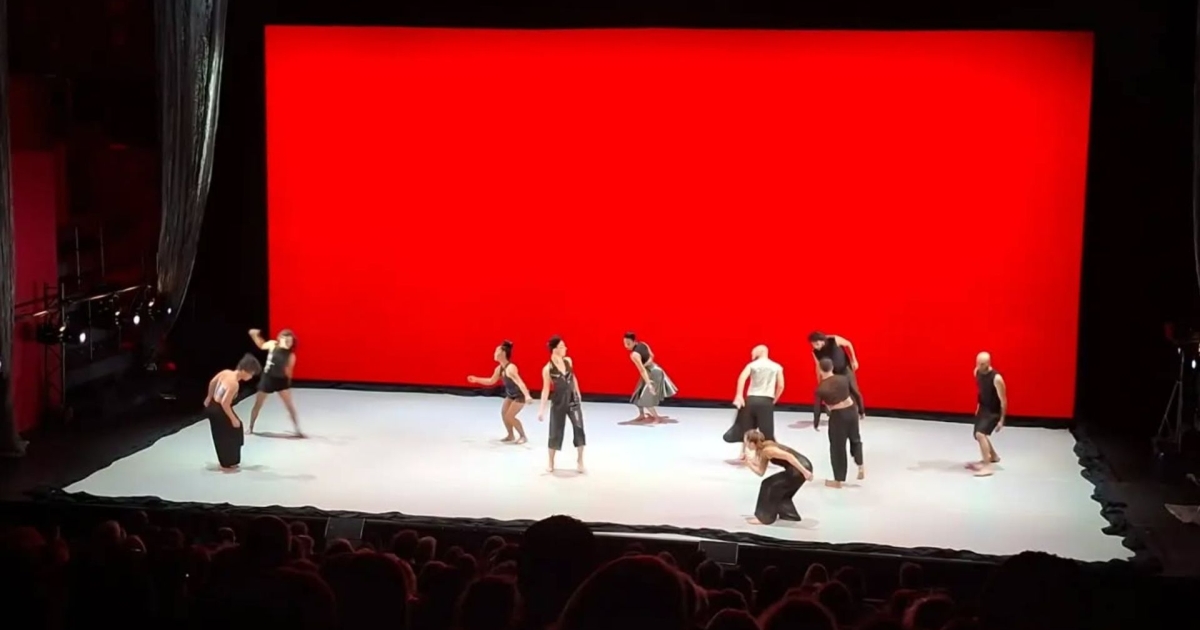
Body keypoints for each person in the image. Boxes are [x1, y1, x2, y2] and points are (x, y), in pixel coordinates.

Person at [202, 354, 262, 471]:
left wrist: (209, 397)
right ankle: (228, 461)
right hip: (218, 409)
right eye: (251, 374)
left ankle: (228, 460)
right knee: (228, 433)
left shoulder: (226, 372)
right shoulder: (234, 383)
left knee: (227, 431)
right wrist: (233, 419)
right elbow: (225, 403)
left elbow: (213, 382)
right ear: (245, 371)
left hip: (213, 405)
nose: (251, 377)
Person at [743, 429, 814, 525]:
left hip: (800, 468)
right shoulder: (764, 449)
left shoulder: (768, 450)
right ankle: (789, 514)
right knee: (778, 488)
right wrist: (748, 463)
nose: (745, 444)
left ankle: (765, 518)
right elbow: (761, 472)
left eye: (746, 442)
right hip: (797, 468)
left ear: (752, 443)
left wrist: (805, 472)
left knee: (769, 485)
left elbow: (789, 456)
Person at [537, 336, 586, 473]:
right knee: (555, 431)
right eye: (562, 346)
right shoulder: (548, 369)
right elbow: (546, 389)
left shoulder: (568, 361)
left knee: (579, 427)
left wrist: (578, 392)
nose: (565, 349)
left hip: (573, 400)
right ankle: (551, 461)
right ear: (555, 349)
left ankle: (580, 460)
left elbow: (573, 377)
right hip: (559, 401)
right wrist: (541, 409)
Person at [468, 340, 532, 444]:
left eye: (496, 351)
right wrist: (476, 379)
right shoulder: (499, 368)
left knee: (510, 416)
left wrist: (527, 395)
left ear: (502, 353)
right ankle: (510, 435)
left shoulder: (511, 368)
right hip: (511, 395)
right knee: (504, 413)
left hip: (520, 396)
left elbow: (520, 382)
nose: (494, 353)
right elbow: (491, 381)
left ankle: (523, 436)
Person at [813, 358, 864, 488]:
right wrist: (862, 411)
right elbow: (856, 394)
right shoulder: (843, 379)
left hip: (838, 416)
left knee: (837, 448)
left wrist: (816, 422)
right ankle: (860, 465)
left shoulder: (821, 388)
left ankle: (838, 480)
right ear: (832, 367)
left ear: (820, 369)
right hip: (852, 411)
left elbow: (817, 408)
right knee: (855, 439)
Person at [247, 328, 302, 436]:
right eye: (285, 340)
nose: (287, 343)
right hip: (267, 379)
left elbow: (289, 372)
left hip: (281, 381)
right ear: (280, 339)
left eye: (289, 341)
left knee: (289, 406)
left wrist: (288, 385)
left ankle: (298, 430)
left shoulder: (291, 356)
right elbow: (261, 345)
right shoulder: (272, 345)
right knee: (258, 404)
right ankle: (250, 427)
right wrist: (254, 335)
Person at [623, 332, 678, 424]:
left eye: (628, 343)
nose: (626, 346)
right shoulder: (643, 344)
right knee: (638, 393)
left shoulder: (634, 355)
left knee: (646, 397)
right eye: (624, 343)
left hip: (653, 373)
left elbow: (642, 370)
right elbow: (651, 357)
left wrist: (649, 384)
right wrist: (647, 364)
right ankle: (641, 415)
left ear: (634, 341)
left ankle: (656, 418)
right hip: (656, 369)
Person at [808, 331, 865, 418]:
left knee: (854, 390)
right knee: (833, 394)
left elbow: (848, 344)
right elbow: (818, 367)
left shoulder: (834, 340)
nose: (815, 346)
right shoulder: (815, 352)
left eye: (816, 343)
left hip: (845, 369)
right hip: (832, 374)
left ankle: (861, 412)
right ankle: (833, 414)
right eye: (813, 344)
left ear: (821, 340)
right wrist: (819, 380)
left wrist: (854, 359)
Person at [970, 351, 1007, 476]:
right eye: (978, 363)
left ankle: (987, 467)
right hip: (983, 408)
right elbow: (981, 391)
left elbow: (1003, 400)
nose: (980, 366)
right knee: (978, 434)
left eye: (982, 364)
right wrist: (978, 407)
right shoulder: (977, 372)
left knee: (981, 434)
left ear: (988, 363)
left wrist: (1002, 420)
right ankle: (993, 456)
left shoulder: (997, 379)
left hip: (993, 411)